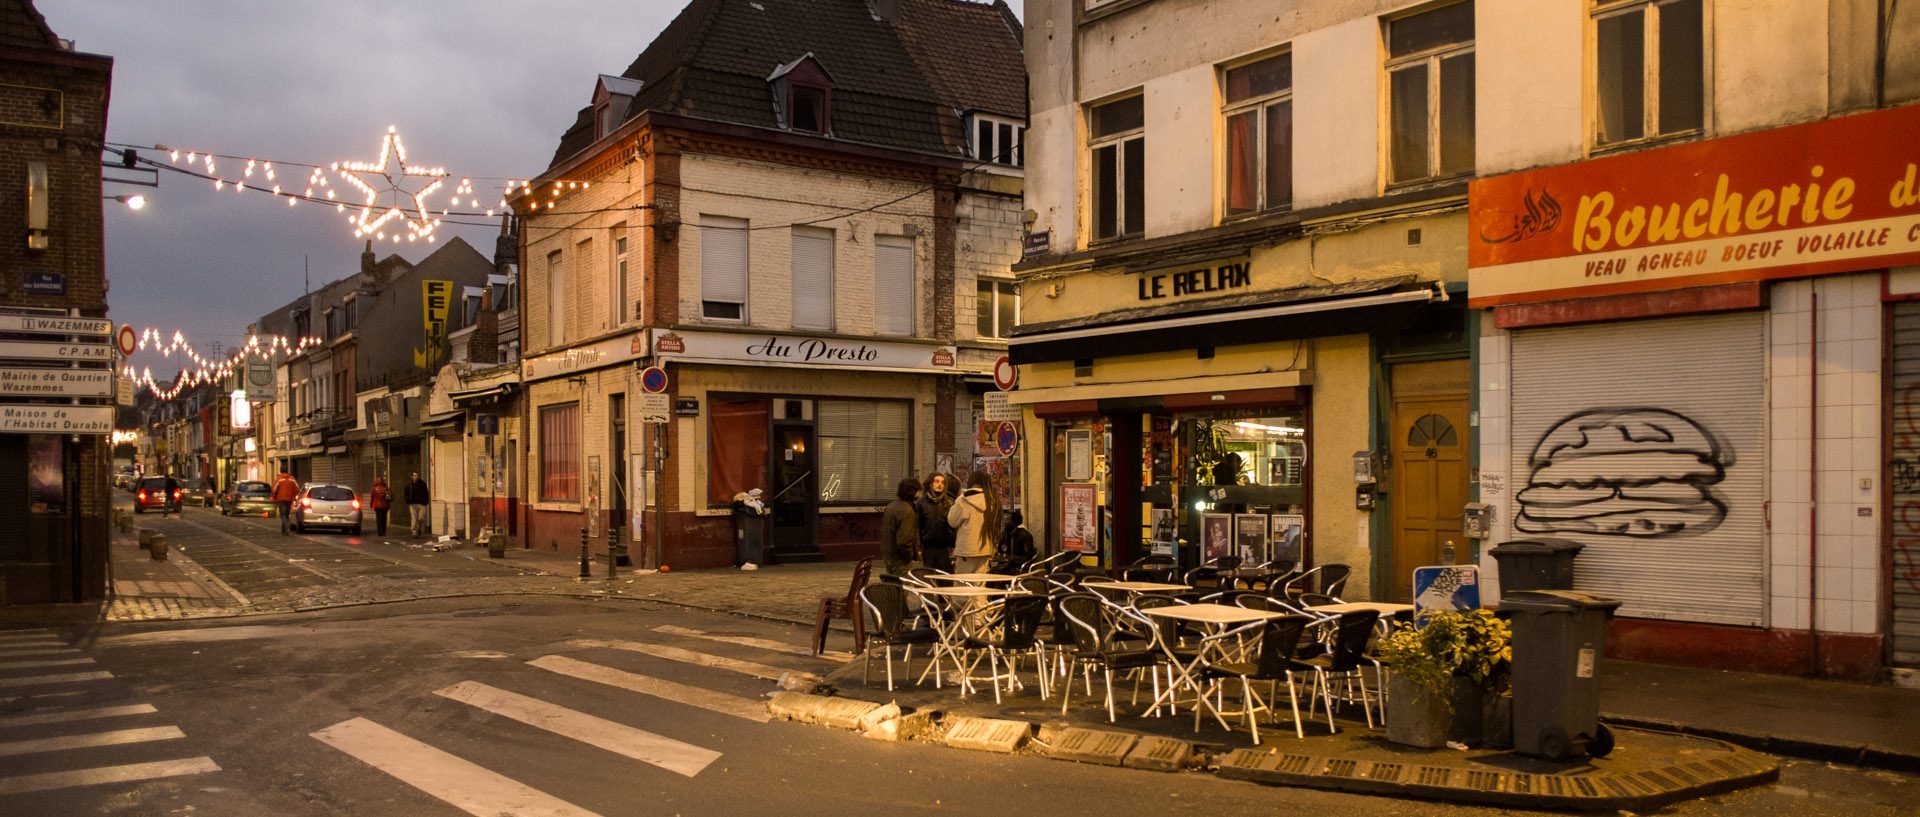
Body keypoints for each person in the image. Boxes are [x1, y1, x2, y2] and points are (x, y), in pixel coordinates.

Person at [947, 471, 1001, 574]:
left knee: (962, 586)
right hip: (986, 550)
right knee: (979, 586)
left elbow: (952, 521)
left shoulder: (964, 499)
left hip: (966, 551)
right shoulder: (992, 501)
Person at [915, 472, 956, 572]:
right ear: (930, 484)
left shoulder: (950, 503)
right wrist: (918, 547)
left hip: (946, 548)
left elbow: (954, 527)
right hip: (928, 547)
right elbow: (917, 527)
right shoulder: (921, 504)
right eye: (937, 482)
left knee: (945, 579)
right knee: (930, 577)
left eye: (942, 482)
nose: (939, 484)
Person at [880, 477, 921, 576]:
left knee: (892, 585)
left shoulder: (891, 506)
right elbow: (905, 538)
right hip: (900, 558)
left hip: (888, 554)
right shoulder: (907, 510)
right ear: (913, 492)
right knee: (901, 587)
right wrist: (910, 555)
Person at [989, 509, 1035, 574]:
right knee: (991, 571)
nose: (1004, 522)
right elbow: (1000, 549)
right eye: (1004, 520)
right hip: (1007, 564)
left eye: (1007, 520)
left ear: (1014, 522)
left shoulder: (1025, 535)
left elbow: (1027, 555)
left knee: (994, 572)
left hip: (1017, 566)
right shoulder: (1006, 533)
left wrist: (1011, 563)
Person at [271, 470, 300, 535]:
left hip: (281, 499)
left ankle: (286, 528)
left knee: (283, 514)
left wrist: (274, 496)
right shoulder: (292, 479)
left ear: (281, 471)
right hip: (289, 499)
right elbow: (297, 488)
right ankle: (284, 530)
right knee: (286, 514)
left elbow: (274, 489)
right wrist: (294, 496)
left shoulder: (279, 479)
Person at [406, 472, 430, 537]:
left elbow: (426, 493)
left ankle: (418, 526)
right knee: (414, 518)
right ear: (412, 476)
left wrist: (426, 501)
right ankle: (414, 532)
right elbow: (406, 494)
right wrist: (408, 501)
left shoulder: (423, 484)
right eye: (414, 476)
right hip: (413, 503)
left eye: (417, 475)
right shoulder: (409, 485)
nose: (416, 477)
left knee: (421, 518)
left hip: (422, 503)